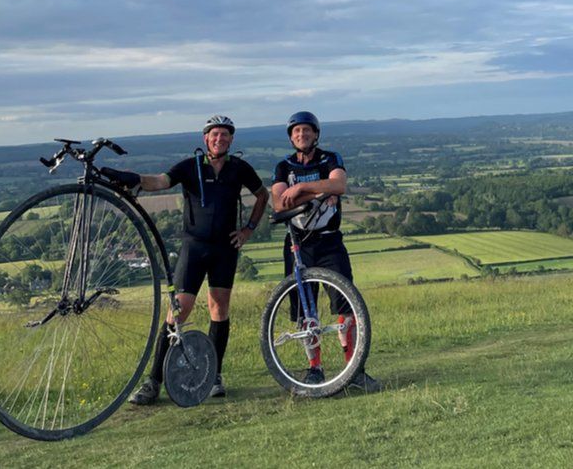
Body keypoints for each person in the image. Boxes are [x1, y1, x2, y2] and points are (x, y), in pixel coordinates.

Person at [103, 115, 268, 404]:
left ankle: (214, 374)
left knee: (219, 308)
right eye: (215, 134)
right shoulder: (190, 166)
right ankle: (153, 381)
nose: (220, 139)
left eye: (225, 135)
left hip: (225, 248)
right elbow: (161, 181)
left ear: (231, 140)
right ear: (206, 139)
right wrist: (135, 179)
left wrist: (248, 230)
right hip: (194, 247)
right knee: (180, 310)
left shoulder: (239, 168)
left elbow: (262, 195)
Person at [270, 111, 381, 393]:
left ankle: (354, 371)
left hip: (329, 240)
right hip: (298, 244)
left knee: (347, 306)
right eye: (296, 132)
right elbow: (280, 204)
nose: (301, 135)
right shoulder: (283, 166)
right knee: (306, 310)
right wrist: (322, 191)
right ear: (290, 137)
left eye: (306, 131)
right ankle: (314, 370)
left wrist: (302, 188)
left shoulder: (331, 158)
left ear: (316, 134)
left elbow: (339, 184)